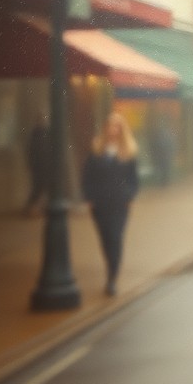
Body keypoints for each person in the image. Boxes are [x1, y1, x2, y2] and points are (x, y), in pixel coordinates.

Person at [82, 112, 140, 297]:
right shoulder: (97, 150)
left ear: (121, 129)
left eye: (116, 126)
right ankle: (110, 267)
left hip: (119, 204)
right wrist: (89, 197)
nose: (112, 130)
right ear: (105, 128)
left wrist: (129, 197)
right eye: (110, 126)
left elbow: (134, 179)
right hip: (100, 204)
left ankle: (112, 278)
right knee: (105, 240)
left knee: (115, 238)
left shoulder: (128, 152)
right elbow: (87, 176)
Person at [23, 115, 52, 217]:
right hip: (39, 165)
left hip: (44, 164)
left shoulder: (45, 133)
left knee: (43, 187)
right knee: (38, 187)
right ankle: (31, 208)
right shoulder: (36, 134)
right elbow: (31, 151)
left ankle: (38, 208)